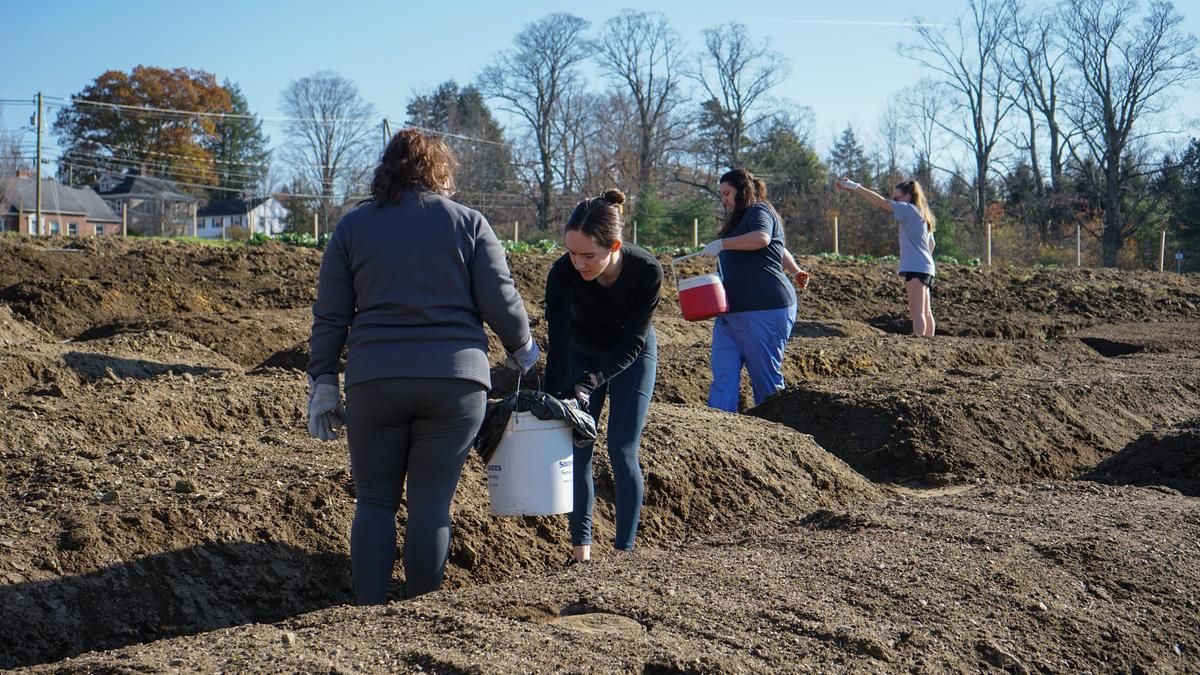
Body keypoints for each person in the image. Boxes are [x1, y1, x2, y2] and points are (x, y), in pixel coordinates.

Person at [306, 128, 539, 604]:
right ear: (440, 171)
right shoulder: (468, 223)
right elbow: (501, 298)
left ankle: (367, 609)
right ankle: (420, 611)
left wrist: (323, 380)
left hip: (376, 382)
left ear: (385, 171)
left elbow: (330, 314)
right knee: (432, 505)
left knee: (374, 502)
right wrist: (526, 351)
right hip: (455, 385)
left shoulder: (353, 228)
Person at [544, 189, 661, 565]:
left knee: (621, 448)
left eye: (588, 255)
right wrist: (556, 396)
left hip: (632, 354)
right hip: (581, 350)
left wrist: (589, 383)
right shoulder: (562, 273)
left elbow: (631, 344)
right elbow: (559, 344)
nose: (578, 263)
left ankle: (623, 554)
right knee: (578, 445)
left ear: (614, 245)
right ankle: (581, 555)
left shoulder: (646, 271)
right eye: (571, 252)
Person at [698, 168, 808, 413]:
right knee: (723, 375)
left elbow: (763, 239)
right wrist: (795, 270)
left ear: (742, 189)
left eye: (727, 193)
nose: (724, 199)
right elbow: (780, 248)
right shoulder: (739, 218)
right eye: (722, 195)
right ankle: (720, 425)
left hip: (764, 308)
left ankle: (777, 428)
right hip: (730, 310)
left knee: (765, 378)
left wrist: (722, 244)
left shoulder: (760, 211)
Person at [835, 177, 937, 336]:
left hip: (915, 267)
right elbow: (932, 245)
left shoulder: (908, 209)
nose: (895, 201)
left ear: (908, 196)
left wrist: (855, 187)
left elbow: (881, 202)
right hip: (927, 267)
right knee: (926, 311)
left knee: (918, 314)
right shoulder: (923, 214)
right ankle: (931, 345)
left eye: (897, 198)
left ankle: (920, 344)